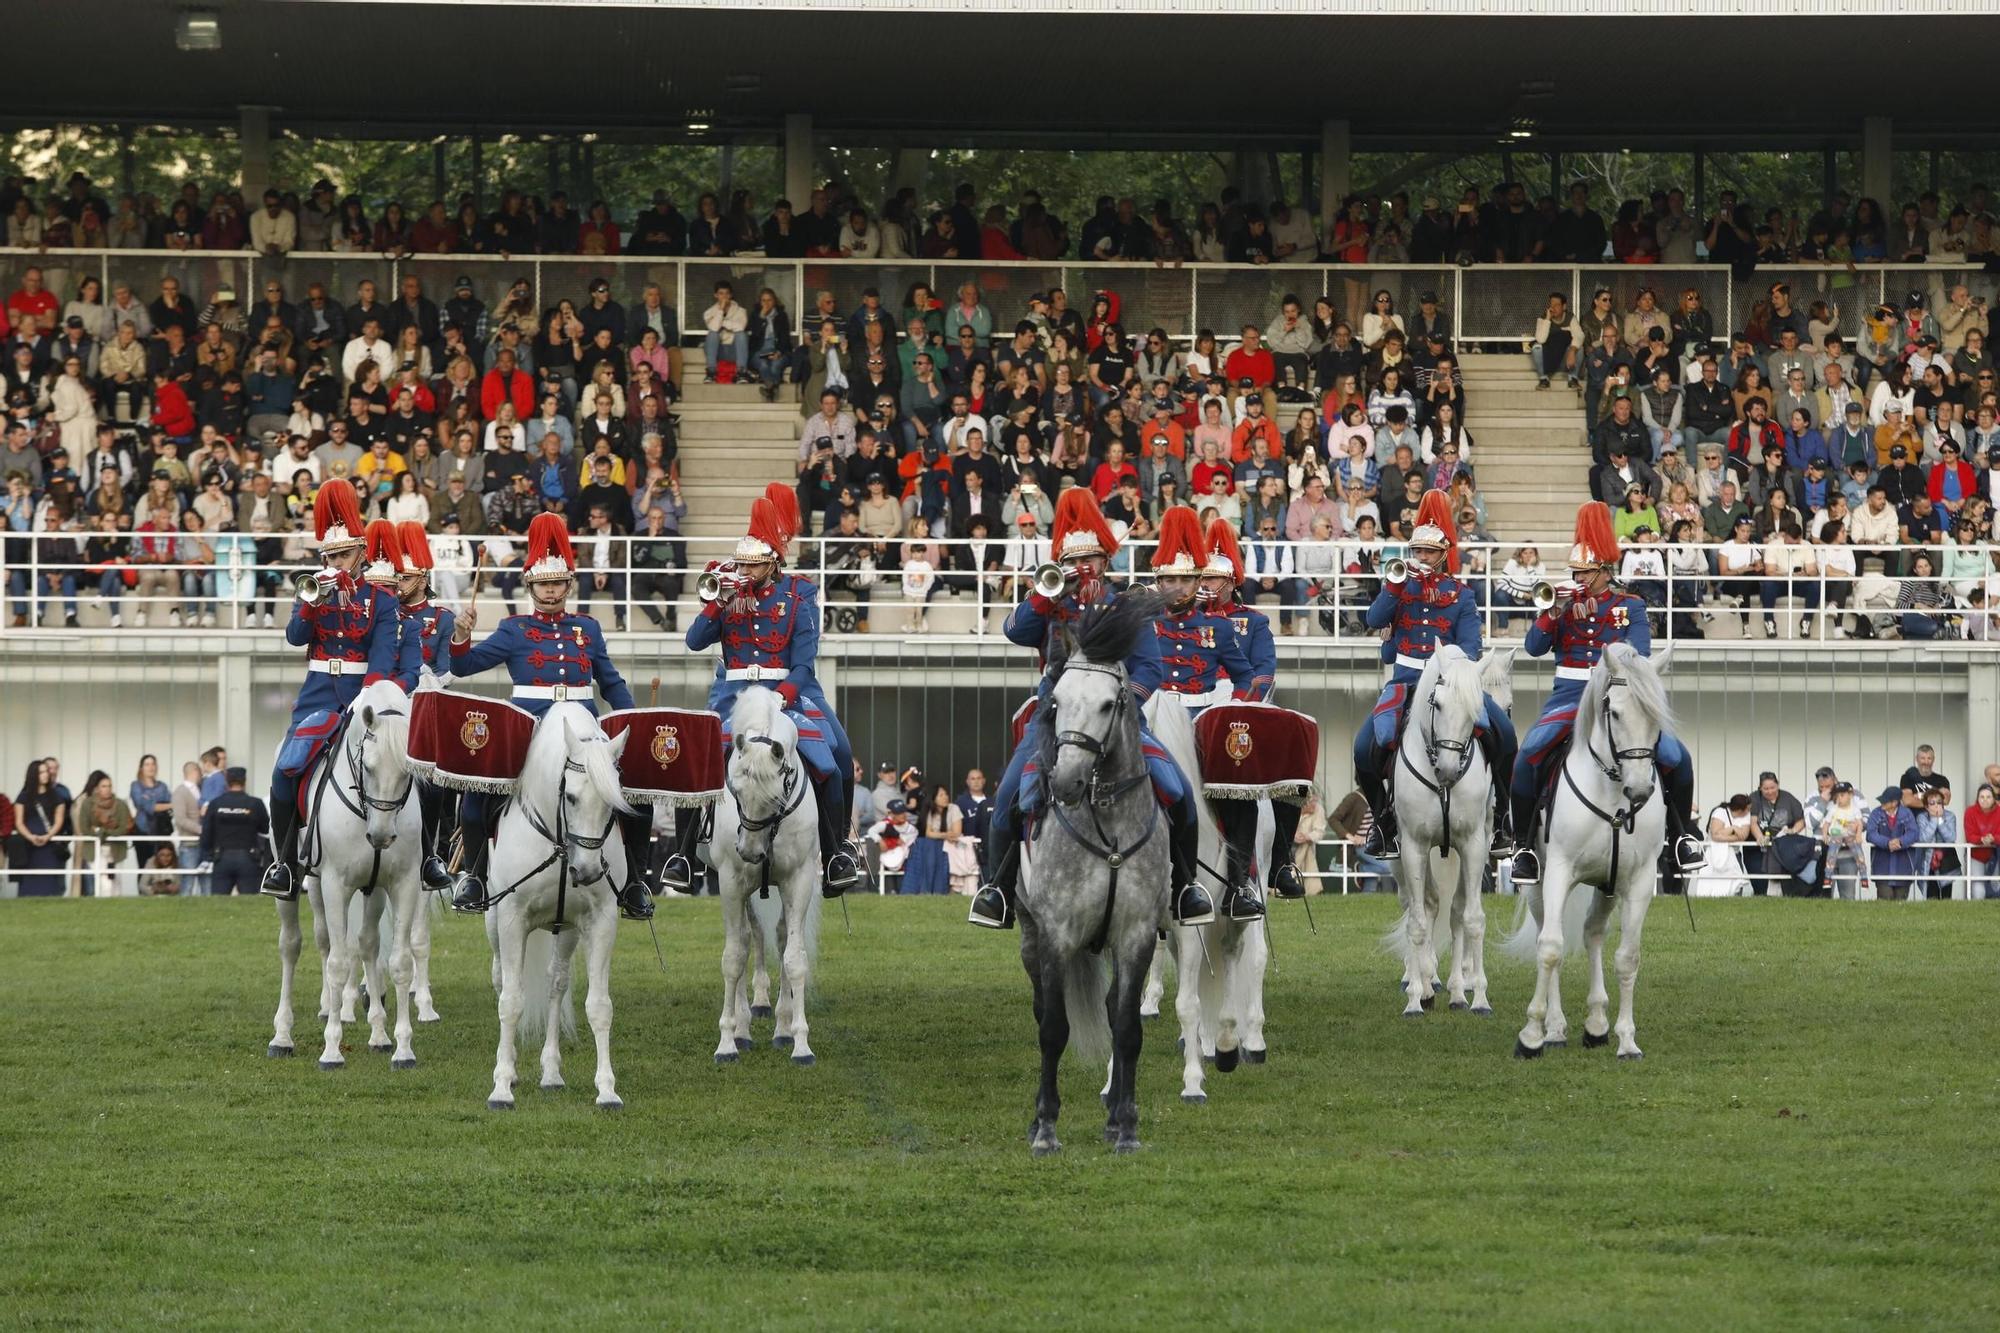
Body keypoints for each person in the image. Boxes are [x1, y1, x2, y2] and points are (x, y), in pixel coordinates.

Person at [968, 488, 1214, 931]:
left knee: (1178, 791)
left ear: (1106, 560)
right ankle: (998, 889)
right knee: (1008, 796)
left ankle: (1184, 887)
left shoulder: (1124, 604)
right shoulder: (1051, 603)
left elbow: (1150, 669)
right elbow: (1014, 631)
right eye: (1075, 560)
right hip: (1055, 721)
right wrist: (1045, 596)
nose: (1085, 568)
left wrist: (1121, 708)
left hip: (1118, 721)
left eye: (1094, 559)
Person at [443, 513, 655, 921]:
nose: (552, 590)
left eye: (558, 583)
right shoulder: (513, 628)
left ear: (568, 585)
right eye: (544, 584)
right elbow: (466, 664)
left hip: (584, 723)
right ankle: (474, 875)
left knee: (634, 790)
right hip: (529, 723)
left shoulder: (588, 629)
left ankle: (634, 883)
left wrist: (631, 717)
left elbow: (609, 682)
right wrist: (460, 634)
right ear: (531, 587)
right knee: (476, 794)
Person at [668, 486, 859, 898]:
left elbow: (805, 662)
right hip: (733, 694)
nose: (748, 573)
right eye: (744, 565)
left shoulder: (799, 593)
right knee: (695, 760)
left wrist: (783, 695)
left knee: (837, 755)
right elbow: (694, 641)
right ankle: (683, 855)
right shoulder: (727, 587)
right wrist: (719, 601)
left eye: (755, 567)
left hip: (784, 691)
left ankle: (837, 850)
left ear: (772, 563)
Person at [1509, 502, 1705, 890]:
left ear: (1604, 571)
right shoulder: (1561, 606)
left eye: (1584, 572)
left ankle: (1681, 839)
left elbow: (1640, 654)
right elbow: (1533, 647)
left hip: (1617, 700)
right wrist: (1553, 612)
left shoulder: (1629, 606)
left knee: (1675, 757)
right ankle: (1524, 846)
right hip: (1568, 698)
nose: (1578, 577)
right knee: (1528, 754)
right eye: (1575, 571)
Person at [260, 487, 420, 900]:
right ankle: (285, 865)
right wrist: (313, 602)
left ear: (361, 554)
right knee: (284, 770)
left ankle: (421, 853)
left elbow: (384, 660)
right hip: (316, 697)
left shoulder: (382, 601)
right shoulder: (312, 590)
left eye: (344, 556)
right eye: (330, 557)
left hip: (363, 697)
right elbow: (296, 637)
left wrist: (364, 700)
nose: (337, 564)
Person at [1353, 491, 1515, 860]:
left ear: (1443, 554)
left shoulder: (1461, 594)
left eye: (1428, 552)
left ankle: (1504, 818)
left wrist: (1452, 669)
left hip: (1449, 681)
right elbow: (1373, 621)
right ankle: (1384, 821)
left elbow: (1471, 647)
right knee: (1365, 747)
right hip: (1405, 681)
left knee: (1503, 734)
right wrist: (1394, 588)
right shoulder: (1399, 586)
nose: (1421, 558)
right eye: (1417, 551)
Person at [1147, 508, 1265, 921]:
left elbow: (1247, 679)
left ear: (1199, 582)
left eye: (1185, 580)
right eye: (1169, 580)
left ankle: (1238, 886)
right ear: (1157, 582)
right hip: (1150, 720)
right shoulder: (1143, 623)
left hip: (1201, 721)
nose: (1176, 589)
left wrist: (1234, 712)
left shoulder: (1219, 629)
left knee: (1239, 792)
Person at [1202, 518, 1307, 900]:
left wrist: (1242, 704)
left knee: (1291, 755)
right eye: (1203, 578)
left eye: (1214, 580)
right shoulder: (1188, 620)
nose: (1207, 585)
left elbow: (1264, 672)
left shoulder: (1254, 621)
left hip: (1242, 704)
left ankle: (1280, 861)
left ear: (1231, 583)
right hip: (1198, 701)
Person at [393, 521, 458, 892]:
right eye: (396, 577)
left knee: (437, 777)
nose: (399, 583)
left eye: (405, 577)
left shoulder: (442, 618)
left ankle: (434, 849)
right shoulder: (388, 614)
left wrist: (420, 679)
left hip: (426, 704)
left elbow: (448, 669)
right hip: (389, 700)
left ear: (422, 578)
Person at [199, 766, 269, 898]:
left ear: (227, 781)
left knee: (218, 902)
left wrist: (208, 856)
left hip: (222, 857)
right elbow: (265, 828)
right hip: (248, 857)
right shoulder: (255, 803)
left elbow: (206, 833)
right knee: (249, 902)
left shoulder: (215, 804)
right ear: (244, 781)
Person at [9, 760, 67, 896]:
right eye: (41, 772)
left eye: (46, 771)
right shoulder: (23, 797)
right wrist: (30, 837)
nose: (45, 775)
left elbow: (59, 820)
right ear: (33, 774)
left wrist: (48, 836)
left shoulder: (57, 796)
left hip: (49, 846)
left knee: (49, 881)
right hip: (28, 847)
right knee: (29, 882)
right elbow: (19, 822)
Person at [903, 785, 960, 895]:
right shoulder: (931, 811)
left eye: (946, 794)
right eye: (941, 795)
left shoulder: (954, 809)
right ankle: (925, 889)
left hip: (952, 845)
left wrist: (939, 835)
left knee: (929, 847)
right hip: (935, 845)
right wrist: (945, 834)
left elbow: (956, 833)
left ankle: (933, 889)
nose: (945, 797)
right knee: (925, 844)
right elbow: (928, 834)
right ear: (933, 799)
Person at [1866, 784, 1920, 900]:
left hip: (1904, 867)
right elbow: (1870, 834)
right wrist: (1887, 843)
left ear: (1895, 802)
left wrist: (1900, 842)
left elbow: (1914, 833)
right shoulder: (1876, 813)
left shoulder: (1907, 813)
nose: (1882, 803)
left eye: (1885, 801)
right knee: (1884, 901)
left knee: (1901, 903)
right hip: (1881, 867)